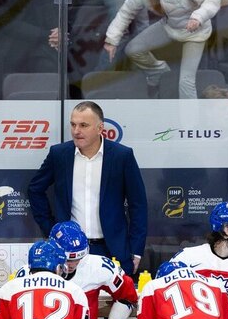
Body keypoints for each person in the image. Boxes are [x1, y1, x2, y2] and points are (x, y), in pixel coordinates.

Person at [28, 100, 147, 273]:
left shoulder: (122, 156)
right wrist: (53, 231)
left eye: (83, 125)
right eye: (73, 124)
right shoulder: (59, 154)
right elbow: (35, 189)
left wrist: (135, 249)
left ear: (100, 128)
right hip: (68, 253)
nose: (76, 131)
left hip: (113, 250)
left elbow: (138, 204)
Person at [104, 0, 220, 99]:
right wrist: (111, 40)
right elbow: (126, 11)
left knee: (186, 82)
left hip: (194, 32)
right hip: (169, 26)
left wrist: (198, 17)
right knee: (133, 50)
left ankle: (190, 122)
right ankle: (160, 74)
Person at [23, 221, 138, 319]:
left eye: (78, 258)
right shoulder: (31, 271)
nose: (72, 264)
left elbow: (128, 296)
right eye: (67, 259)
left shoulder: (99, 267)